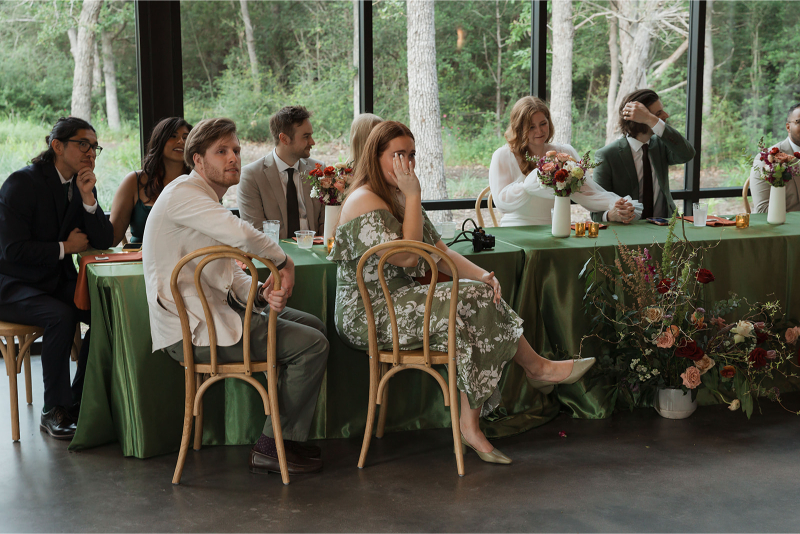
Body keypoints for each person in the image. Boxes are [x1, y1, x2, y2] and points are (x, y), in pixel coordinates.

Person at [329, 121, 595, 464]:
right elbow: (410, 255)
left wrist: (483, 274)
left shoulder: (399, 193)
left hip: (402, 301)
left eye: (411, 155)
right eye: (397, 155)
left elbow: (441, 252)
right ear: (375, 156)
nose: (406, 164)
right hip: (367, 312)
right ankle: (535, 371)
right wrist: (413, 196)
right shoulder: (364, 198)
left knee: (475, 299)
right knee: (470, 301)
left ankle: (475, 421)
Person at [142, 118, 329, 475]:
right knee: (312, 345)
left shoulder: (205, 200)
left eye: (237, 151)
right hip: (194, 330)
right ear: (197, 160)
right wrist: (283, 260)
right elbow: (241, 235)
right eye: (222, 151)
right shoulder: (184, 193)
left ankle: (283, 439)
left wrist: (260, 295)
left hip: (214, 315)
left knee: (314, 326)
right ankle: (272, 446)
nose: (234, 159)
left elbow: (229, 273)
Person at [0, 116, 114, 439]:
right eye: (83, 144)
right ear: (57, 146)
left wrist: (89, 200)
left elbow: (104, 238)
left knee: (107, 315)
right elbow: (11, 250)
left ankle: (78, 400)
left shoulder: (80, 185)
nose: (91, 152)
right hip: (12, 285)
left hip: (52, 284)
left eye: (95, 147)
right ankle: (54, 410)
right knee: (61, 317)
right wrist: (65, 248)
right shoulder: (21, 184)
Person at [490, 96, 636, 226]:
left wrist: (615, 204)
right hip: (516, 228)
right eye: (531, 127)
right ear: (519, 128)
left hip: (556, 227)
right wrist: (529, 184)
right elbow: (502, 204)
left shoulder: (564, 153)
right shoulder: (503, 156)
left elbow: (587, 192)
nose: (539, 131)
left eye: (543, 124)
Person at [591, 89, 696, 222]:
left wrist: (651, 119)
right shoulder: (607, 156)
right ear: (638, 121)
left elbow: (687, 154)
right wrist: (611, 215)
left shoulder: (662, 145)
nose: (666, 115)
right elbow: (596, 213)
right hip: (628, 234)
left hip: (665, 229)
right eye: (657, 114)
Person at [238, 106, 325, 239]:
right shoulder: (251, 176)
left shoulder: (319, 170)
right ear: (284, 139)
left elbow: (326, 223)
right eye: (306, 137)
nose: (312, 142)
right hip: (273, 257)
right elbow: (256, 234)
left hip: (316, 253)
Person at [109, 117, 192, 245]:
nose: (181, 141)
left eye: (186, 137)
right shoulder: (134, 181)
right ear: (159, 140)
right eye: (173, 136)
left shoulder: (198, 183)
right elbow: (112, 238)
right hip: (141, 261)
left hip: (189, 262)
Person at [750, 103, 800, 213]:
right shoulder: (766, 159)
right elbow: (762, 210)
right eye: (799, 122)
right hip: (785, 227)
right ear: (788, 127)